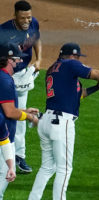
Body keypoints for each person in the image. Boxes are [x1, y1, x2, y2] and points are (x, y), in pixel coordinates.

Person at [28, 42, 99, 200]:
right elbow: (98, 74)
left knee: (47, 167)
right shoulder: (70, 64)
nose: (77, 59)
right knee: (65, 168)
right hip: (61, 123)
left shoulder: (53, 69)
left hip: (46, 121)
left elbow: (76, 94)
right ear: (71, 56)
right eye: (77, 57)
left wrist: (96, 88)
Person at [0, 0, 42, 173]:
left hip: (23, 73)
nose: (27, 21)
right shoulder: (3, 31)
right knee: (7, 113)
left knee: (18, 116)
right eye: (23, 18)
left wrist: (39, 59)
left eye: (29, 17)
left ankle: (19, 156)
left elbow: (36, 37)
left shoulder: (33, 23)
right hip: (6, 75)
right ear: (15, 16)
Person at [0, 42, 39, 199]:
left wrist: (23, 111)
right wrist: (30, 117)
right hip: (3, 139)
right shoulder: (4, 80)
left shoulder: (3, 77)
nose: (20, 62)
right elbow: (9, 112)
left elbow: (4, 107)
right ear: (9, 60)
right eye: (17, 59)